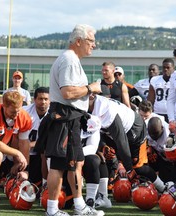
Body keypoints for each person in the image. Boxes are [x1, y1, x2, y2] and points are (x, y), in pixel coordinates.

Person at [35, 24, 102, 216]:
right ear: (78, 41)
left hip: (69, 119)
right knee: (59, 165)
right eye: (91, 41)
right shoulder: (69, 60)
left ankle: (79, 206)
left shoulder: (71, 59)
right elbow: (68, 92)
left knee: (75, 163)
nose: (94, 45)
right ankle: (52, 209)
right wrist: (91, 88)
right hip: (64, 118)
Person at [88, 94, 166, 193]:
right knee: (106, 154)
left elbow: (121, 141)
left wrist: (128, 169)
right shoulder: (88, 107)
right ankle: (103, 195)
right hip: (113, 133)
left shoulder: (106, 110)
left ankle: (162, 187)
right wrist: (102, 146)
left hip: (134, 129)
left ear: (91, 97)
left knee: (137, 166)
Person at [23, 87, 50, 188]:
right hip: (25, 153)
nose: (43, 102)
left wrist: (32, 144)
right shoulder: (24, 112)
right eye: (40, 99)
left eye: (46, 99)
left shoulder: (54, 113)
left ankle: (45, 184)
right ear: (34, 99)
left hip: (42, 153)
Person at [147, 117, 176, 183]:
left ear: (162, 128)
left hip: (169, 156)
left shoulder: (169, 135)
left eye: (156, 134)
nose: (153, 137)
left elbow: (173, 157)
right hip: (157, 153)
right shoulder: (145, 128)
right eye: (151, 134)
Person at [147, 58, 175, 122]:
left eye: (168, 67)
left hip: (172, 114)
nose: (165, 69)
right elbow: (150, 99)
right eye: (164, 67)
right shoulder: (154, 80)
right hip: (157, 113)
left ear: (173, 68)